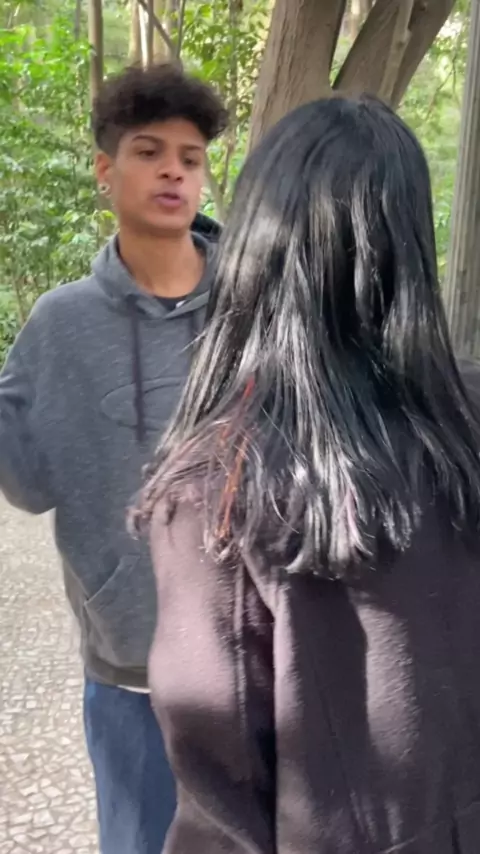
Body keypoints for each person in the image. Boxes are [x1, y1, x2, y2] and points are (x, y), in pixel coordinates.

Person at [137, 95, 480, 853]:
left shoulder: (218, 486)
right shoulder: (465, 421)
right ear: (410, 246)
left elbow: (220, 799)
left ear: (256, 246)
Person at [0, 63, 227, 854]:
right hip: (130, 673)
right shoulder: (59, 326)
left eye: (190, 158)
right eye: (149, 151)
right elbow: (28, 483)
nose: (173, 171)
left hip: (258, 663)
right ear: (105, 169)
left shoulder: (261, 309)